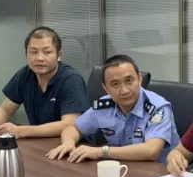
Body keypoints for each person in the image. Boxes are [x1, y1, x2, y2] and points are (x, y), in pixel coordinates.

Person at [47, 55, 178, 164]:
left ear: (139, 79)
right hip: (123, 167)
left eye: (129, 81)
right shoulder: (104, 106)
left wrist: (101, 152)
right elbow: (73, 128)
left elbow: (151, 151)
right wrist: (68, 143)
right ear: (106, 88)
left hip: (160, 174)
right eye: (115, 84)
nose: (124, 90)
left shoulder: (157, 108)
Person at [0, 27, 88, 140]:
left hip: (67, 143)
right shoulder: (25, 74)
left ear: (59, 55)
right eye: (33, 52)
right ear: (26, 54)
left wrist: (21, 131)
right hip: (37, 142)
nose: (40, 58)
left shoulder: (71, 79)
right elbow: (5, 109)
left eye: (47, 52)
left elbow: (69, 124)